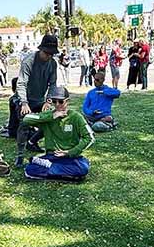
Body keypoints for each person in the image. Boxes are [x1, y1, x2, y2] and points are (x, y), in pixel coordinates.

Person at [23, 86, 95, 181]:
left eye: (61, 101)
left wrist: (70, 152)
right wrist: (52, 116)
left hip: (70, 157)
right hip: (51, 156)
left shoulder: (76, 117)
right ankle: (65, 174)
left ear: (67, 101)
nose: (57, 105)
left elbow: (90, 138)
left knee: (83, 169)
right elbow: (26, 119)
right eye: (54, 101)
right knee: (29, 170)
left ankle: (49, 168)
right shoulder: (49, 116)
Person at [14, 34, 58, 167]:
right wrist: (24, 103)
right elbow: (21, 83)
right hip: (25, 99)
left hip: (40, 100)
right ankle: (20, 155)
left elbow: (53, 84)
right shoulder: (29, 61)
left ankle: (32, 143)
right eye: (47, 53)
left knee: (52, 119)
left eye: (52, 53)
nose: (49, 56)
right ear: (41, 49)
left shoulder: (53, 64)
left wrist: (48, 101)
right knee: (24, 124)